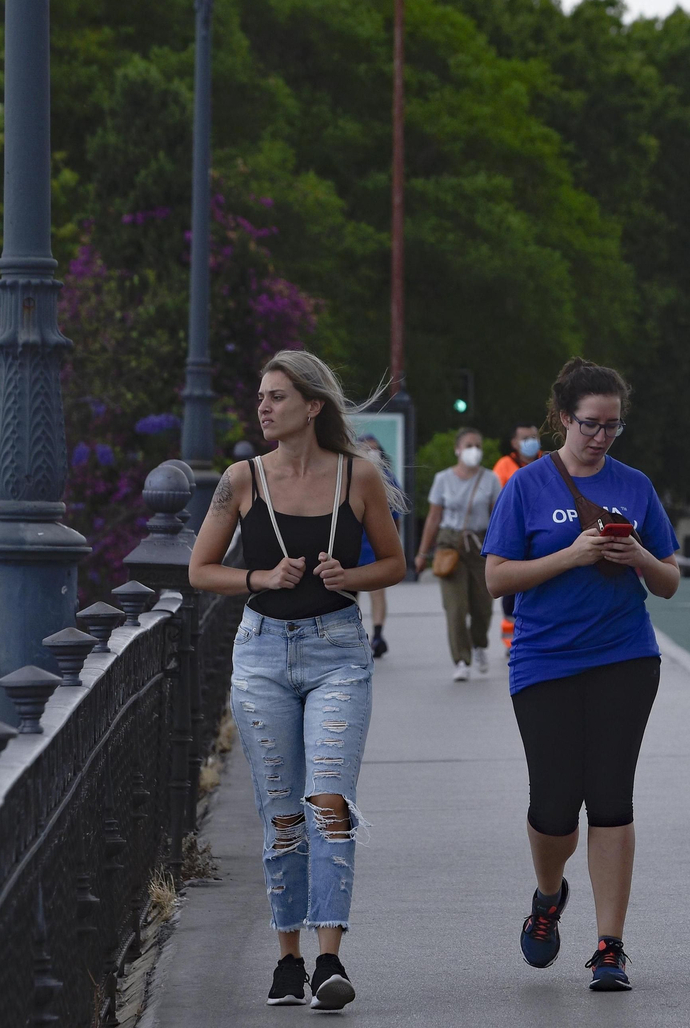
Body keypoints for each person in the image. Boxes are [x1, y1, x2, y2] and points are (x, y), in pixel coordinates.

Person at [189, 350, 406, 1011]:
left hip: (337, 651)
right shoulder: (242, 479)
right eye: (260, 396)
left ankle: (329, 959)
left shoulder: (358, 475)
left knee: (328, 803)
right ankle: (288, 959)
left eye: (277, 396)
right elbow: (200, 569)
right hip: (262, 655)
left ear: (312, 407)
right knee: (283, 812)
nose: (263, 406)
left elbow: (395, 563)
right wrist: (259, 577)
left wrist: (350, 577)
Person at [483, 358, 680, 993]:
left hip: (625, 656)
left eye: (613, 425)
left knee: (612, 798)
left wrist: (637, 553)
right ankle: (548, 895)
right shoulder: (527, 485)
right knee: (554, 807)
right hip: (545, 661)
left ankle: (609, 946)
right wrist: (570, 557)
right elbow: (496, 578)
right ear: (564, 418)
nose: (601, 436)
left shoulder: (635, 485)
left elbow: (669, 581)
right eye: (591, 423)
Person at [413, 428, 501, 680]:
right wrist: (422, 553)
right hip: (449, 544)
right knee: (455, 607)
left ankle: (479, 644)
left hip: (481, 543)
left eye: (478, 445)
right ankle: (461, 659)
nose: (474, 450)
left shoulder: (490, 479)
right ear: (457, 450)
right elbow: (433, 517)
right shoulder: (443, 479)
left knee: (483, 606)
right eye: (469, 445)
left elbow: (498, 516)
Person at [492, 423, 543, 650]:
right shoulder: (504, 466)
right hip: (515, 534)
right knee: (511, 592)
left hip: (541, 531)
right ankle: (511, 641)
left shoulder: (549, 462)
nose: (531, 441)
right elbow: (498, 502)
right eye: (525, 438)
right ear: (514, 443)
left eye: (534, 437)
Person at [355, 433, 402, 658]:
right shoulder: (348, 476)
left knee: (377, 591)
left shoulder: (387, 478)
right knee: (350, 593)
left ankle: (378, 634)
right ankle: (355, 633)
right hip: (352, 545)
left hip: (374, 544)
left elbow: (396, 514)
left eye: (375, 449)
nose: (372, 453)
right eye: (366, 449)